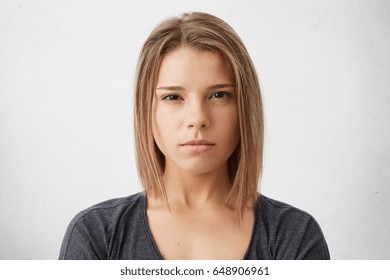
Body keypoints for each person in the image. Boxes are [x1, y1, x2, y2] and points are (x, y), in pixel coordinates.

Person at [59, 12, 330, 260]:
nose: (197, 118)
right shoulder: (96, 236)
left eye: (219, 95)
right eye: (173, 97)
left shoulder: (294, 236)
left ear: (245, 108)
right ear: (145, 110)